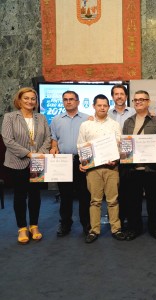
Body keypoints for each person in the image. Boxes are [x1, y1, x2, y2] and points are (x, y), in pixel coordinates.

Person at [1, 87, 51, 244]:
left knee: (36, 195)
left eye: (33, 98)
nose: (30, 101)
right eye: (26, 98)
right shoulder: (10, 117)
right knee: (20, 195)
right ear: (19, 100)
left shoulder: (41, 118)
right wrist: (29, 154)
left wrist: (39, 154)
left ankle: (34, 226)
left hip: (37, 162)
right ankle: (22, 228)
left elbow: (48, 138)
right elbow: (8, 140)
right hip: (17, 162)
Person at [77, 94, 125, 243]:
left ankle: (116, 229)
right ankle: (94, 230)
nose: (102, 108)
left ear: (108, 107)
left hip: (112, 168)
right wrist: (83, 162)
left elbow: (120, 146)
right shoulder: (86, 125)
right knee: (95, 201)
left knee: (113, 200)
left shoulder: (115, 125)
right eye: (99, 105)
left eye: (105, 105)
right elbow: (81, 145)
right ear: (94, 106)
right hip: (93, 170)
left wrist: (115, 159)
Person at [120, 90, 156, 240]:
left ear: (148, 102)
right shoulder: (128, 122)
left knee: (153, 201)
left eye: (141, 99)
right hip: (132, 169)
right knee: (134, 201)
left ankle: (154, 228)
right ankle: (135, 228)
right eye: (135, 100)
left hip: (151, 168)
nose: (138, 102)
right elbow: (125, 143)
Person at [50, 90, 91, 236]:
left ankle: (86, 223)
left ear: (78, 102)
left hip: (82, 162)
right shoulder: (56, 120)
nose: (68, 102)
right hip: (63, 162)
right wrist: (54, 147)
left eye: (72, 99)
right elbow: (54, 140)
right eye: (65, 99)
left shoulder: (88, 119)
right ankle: (65, 223)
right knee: (65, 195)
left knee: (84, 195)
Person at [108, 84, 134, 229]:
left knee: (127, 191)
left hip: (128, 157)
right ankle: (116, 220)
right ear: (113, 97)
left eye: (121, 94)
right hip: (111, 157)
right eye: (116, 94)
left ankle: (128, 220)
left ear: (126, 96)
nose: (119, 96)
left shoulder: (134, 112)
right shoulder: (107, 114)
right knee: (113, 192)